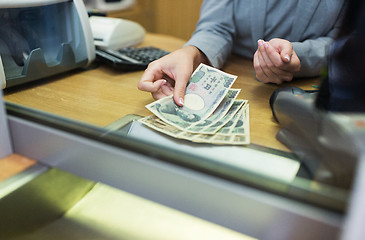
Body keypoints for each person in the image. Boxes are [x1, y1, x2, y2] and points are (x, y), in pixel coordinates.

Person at [138, 0, 346, 106]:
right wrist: (192, 54)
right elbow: (216, 27)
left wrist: (301, 56)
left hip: (307, 94)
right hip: (242, 86)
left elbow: (348, 42)